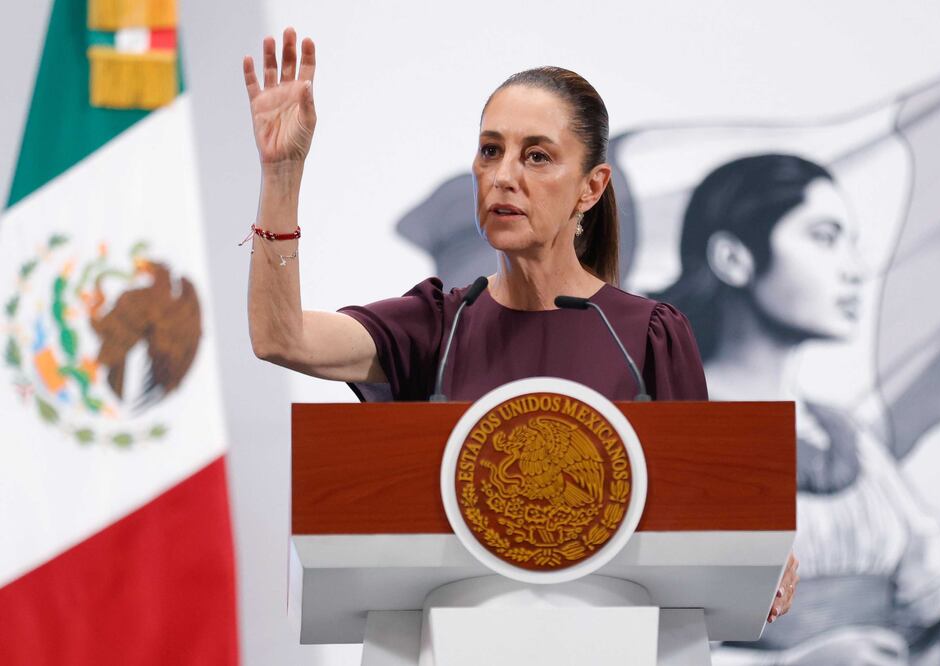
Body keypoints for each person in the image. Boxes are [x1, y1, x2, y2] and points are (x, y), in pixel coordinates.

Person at [241, 28, 799, 624]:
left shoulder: (647, 335)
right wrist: (282, 175)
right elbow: (281, 337)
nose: (504, 175)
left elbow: (705, 514)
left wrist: (754, 550)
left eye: (537, 156)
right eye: (490, 151)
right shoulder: (436, 326)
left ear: (592, 187)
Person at [652, 153, 940, 665]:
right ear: (733, 258)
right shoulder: (673, 427)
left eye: (852, 243)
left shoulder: (844, 434)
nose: (855, 270)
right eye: (825, 237)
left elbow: (933, 614)